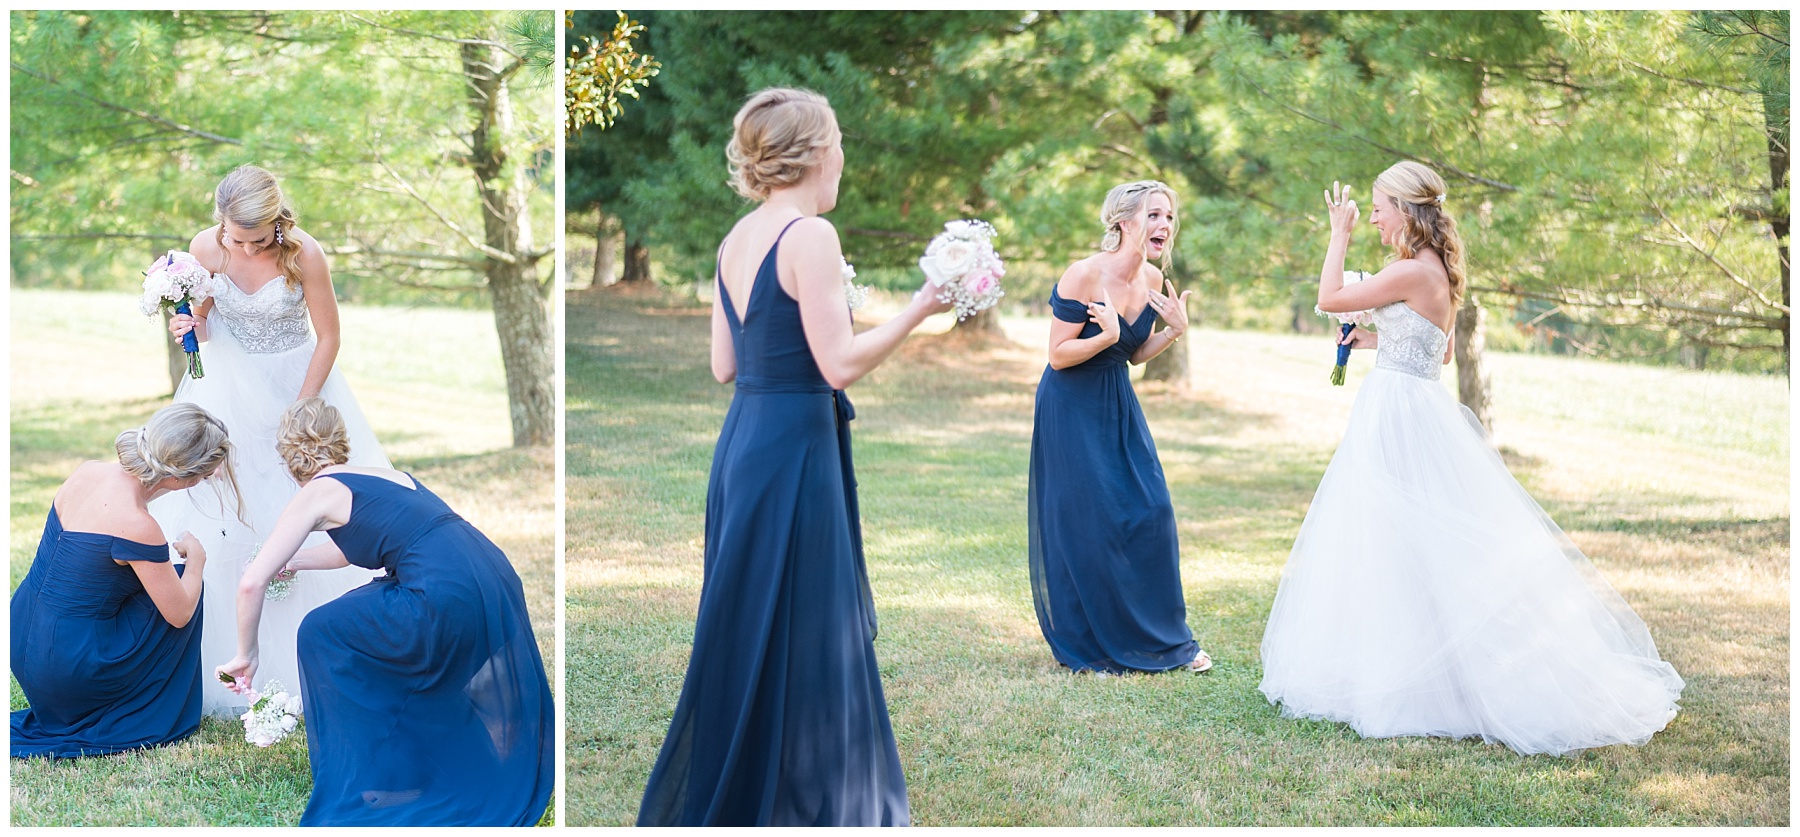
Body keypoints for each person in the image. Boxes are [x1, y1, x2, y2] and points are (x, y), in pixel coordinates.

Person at [1258, 161, 1684, 756]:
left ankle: (1423, 683)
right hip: (1413, 404)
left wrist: (1338, 234)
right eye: (1368, 209)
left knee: (1397, 540)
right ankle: (1415, 669)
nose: (1373, 216)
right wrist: (1375, 339)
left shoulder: (1408, 269)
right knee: (1403, 542)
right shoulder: (1436, 271)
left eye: (1379, 206)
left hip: (1399, 414)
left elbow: (1330, 297)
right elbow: (1435, 352)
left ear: (1405, 209)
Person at [636, 87, 953, 827]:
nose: (843, 153)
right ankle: (805, 792)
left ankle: (760, 785)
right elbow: (838, 363)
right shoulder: (810, 237)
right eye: (838, 138)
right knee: (809, 619)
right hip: (794, 451)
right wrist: (919, 308)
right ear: (813, 153)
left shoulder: (736, 238)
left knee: (754, 617)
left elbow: (724, 363)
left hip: (746, 441)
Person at [216, 398, 552, 825]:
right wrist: (293, 561)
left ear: (288, 457)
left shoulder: (317, 491)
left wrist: (247, 654)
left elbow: (251, 581)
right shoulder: (389, 477)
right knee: (383, 644)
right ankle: (412, 756)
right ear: (341, 440)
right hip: (492, 577)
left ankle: (370, 767)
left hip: (441, 592)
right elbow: (350, 549)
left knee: (323, 632)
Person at [153, 164, 388, 717]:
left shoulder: (304, 253)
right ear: (221, 225)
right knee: (221, 504)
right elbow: (209, 329)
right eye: (235, 237)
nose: (244, 246)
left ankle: (310, 658)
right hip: (230, 389)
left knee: (305, 501)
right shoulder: (204, 250)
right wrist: (187, 326)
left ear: (277, 224)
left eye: (256, 239)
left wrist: (303, 405)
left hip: (298, 385)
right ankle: (225, 654)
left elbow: (329, 336)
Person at [1027, 180, 1211, 676]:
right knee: (1088, 520)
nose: (1164, 225)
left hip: (1116, 400)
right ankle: (1093, 641)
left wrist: (1174, 330)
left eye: (1169, 216)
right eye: (1154, 215)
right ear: (1124, 222)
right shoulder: (1083, 275)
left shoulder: (1152, 280)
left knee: (1151, 509)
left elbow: (1132, 353)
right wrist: (1103, 335)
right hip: (1069, 404)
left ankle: (1167, 639)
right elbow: (1058, 355)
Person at [12, 403, 236, 758]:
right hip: (66, 667)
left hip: (23, 635)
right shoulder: (138, 526)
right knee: (183, 583)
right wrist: (197, 559)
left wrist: (199, 470)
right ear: (180, 475)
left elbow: (149, 486)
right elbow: (179, 614)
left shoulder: (88, 472)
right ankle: (140, 705)